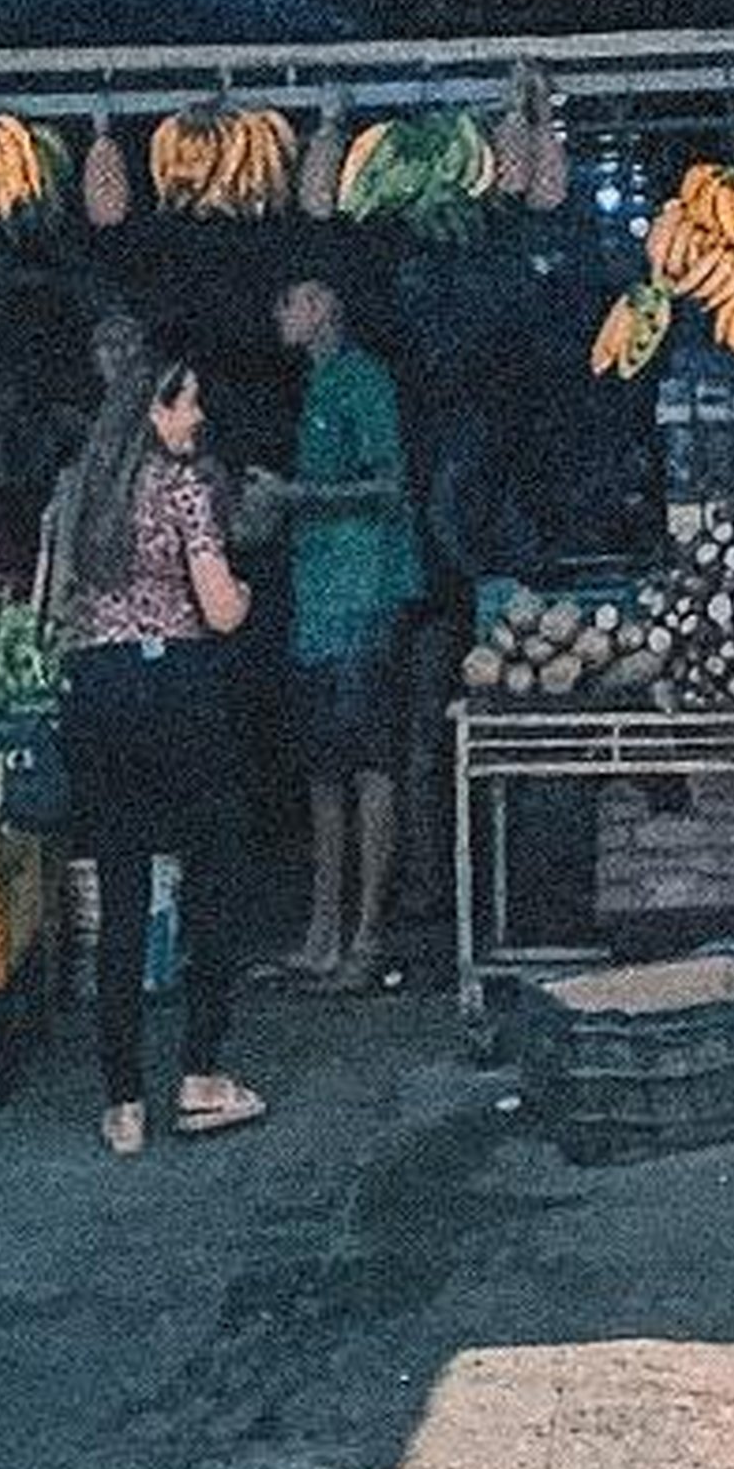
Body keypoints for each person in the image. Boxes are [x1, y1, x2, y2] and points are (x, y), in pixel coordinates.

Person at [49, 344, 263, 1157]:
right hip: (173, 689)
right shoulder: (185, 489)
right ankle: (201, 1077)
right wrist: (242, 593)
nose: (197, 417)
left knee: (121, 892)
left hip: (97, 691)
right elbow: (220, 611)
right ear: (153, 410)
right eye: (186, 404)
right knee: (214, 878)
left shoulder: (87, 491)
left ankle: (123, 1104)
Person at [273, 269, 424, 989]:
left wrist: (297, 495)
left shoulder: (363, 381)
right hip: (319, 601)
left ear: (326, 306)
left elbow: (391, 484)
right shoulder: (317, 387)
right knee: (320, 771)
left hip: (367, 595)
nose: (280, 314)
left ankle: (365, 936)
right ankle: (321, 931)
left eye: (292, 301)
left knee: (370, 765)